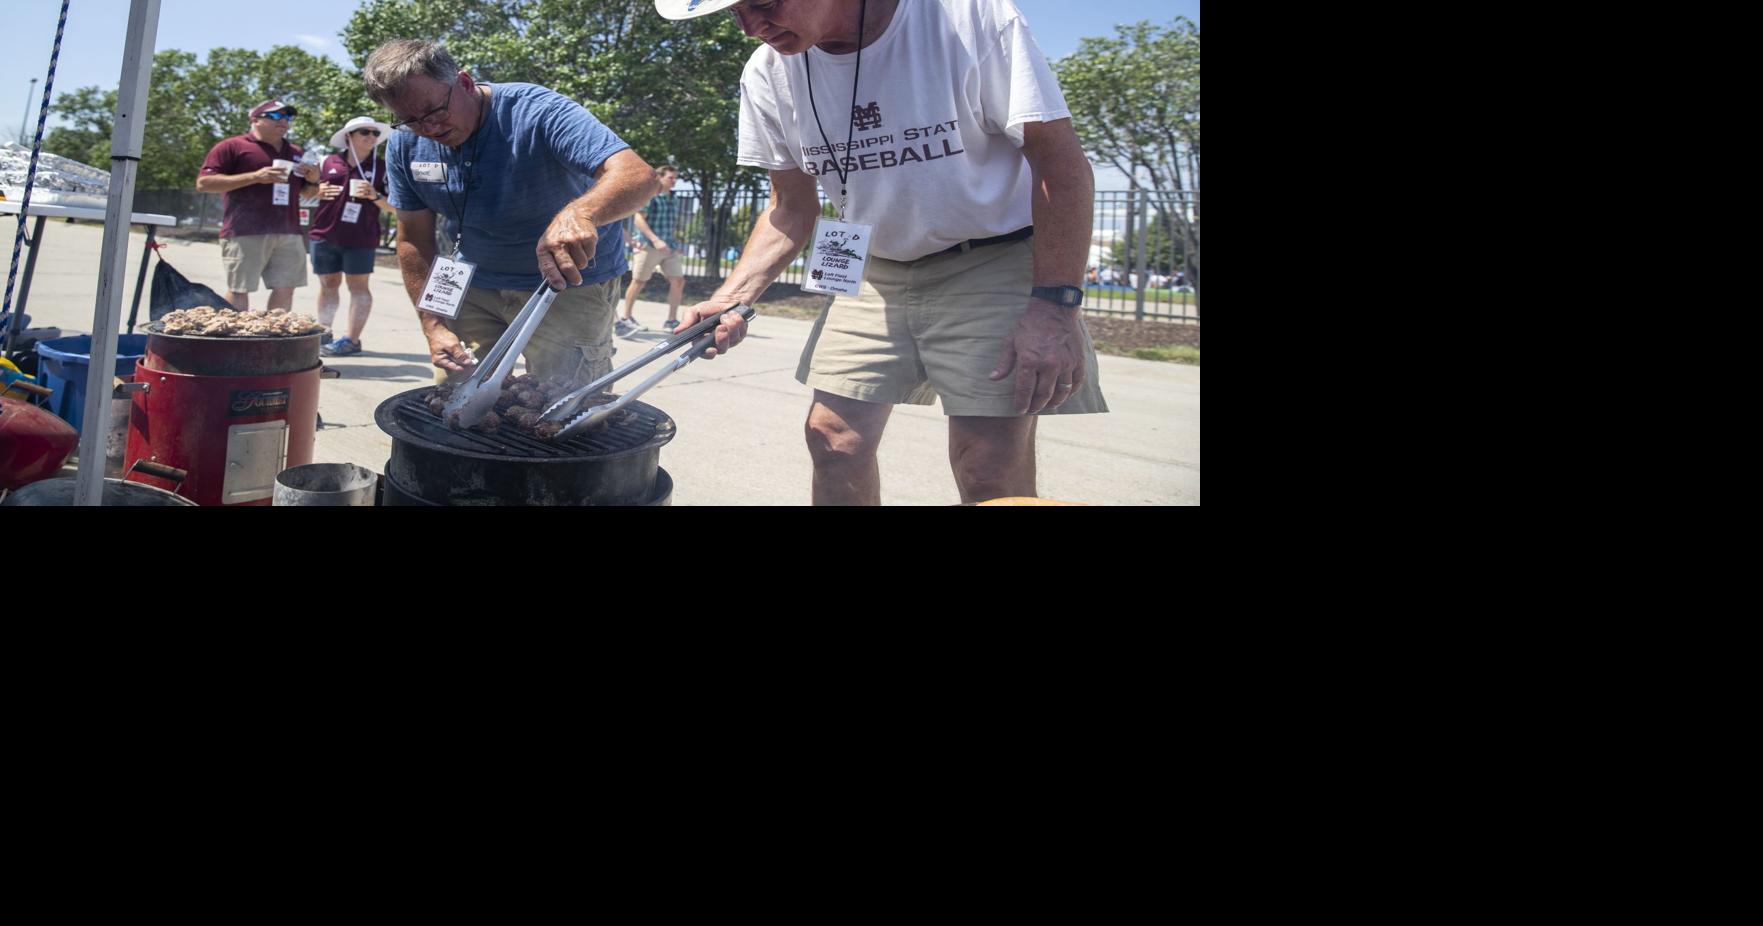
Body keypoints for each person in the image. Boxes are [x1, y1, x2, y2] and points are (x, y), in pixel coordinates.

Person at [656, 0, 1107, 505]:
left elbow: (1060, 164)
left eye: (763, 4)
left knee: (987, 465)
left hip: (994, 257)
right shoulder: (768, 71)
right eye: (734, 14)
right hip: (876, 265)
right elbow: (790, 207)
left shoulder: (966, 19)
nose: (750, 29)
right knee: (834, 440)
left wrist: (1053, 306)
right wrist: (732, 297)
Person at [362, 40, 660, 383]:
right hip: (474, 282)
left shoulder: (538, 110)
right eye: (410, 120)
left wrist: (580, 213)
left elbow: (638, 175)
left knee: (562, 405)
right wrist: (432, 323)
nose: (428, 129)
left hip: (567, 284)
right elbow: (413, 237)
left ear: (464, 83)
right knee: (461, 395)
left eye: (434, 111)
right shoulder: (405, 143)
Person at [196, 100, 322, 311]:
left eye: (287, 117)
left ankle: (272, 340)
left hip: (288, 232)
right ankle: (234, 341)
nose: (283, 121)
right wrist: (255, 177)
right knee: (240, 289)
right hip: (245, 230)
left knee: (286, 288)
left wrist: (314, 179)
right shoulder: (232, 146)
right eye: (274, 116)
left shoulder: (296, 152)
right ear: (255, 119)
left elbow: (308, 193)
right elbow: (204, 184)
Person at [309, 116, 395, 355]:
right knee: (328, 284)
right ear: (349, 136)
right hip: (324, 234)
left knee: (358, 287)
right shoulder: (326, 162)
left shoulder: (383, 167)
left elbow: (395, 207)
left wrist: (375, 196)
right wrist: (317, 191)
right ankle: (323, 333)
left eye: (375, 133)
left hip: (361, 237)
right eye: (364, 132)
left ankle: (352, 341)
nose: (371, 137)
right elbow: (303, 189)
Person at [617, 165, 688, 335]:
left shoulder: (674, 198)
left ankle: (671, 321)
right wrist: (655, 240)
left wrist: (673, 243)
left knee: (678, 280)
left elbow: (669, 224)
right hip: (648, 245)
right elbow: (638, 219)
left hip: (668, 247)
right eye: (671, 177)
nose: (674, 181)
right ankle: (626, 318)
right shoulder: (651, 195)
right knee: (639, 281)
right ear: (660, 177)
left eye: (675, 178)